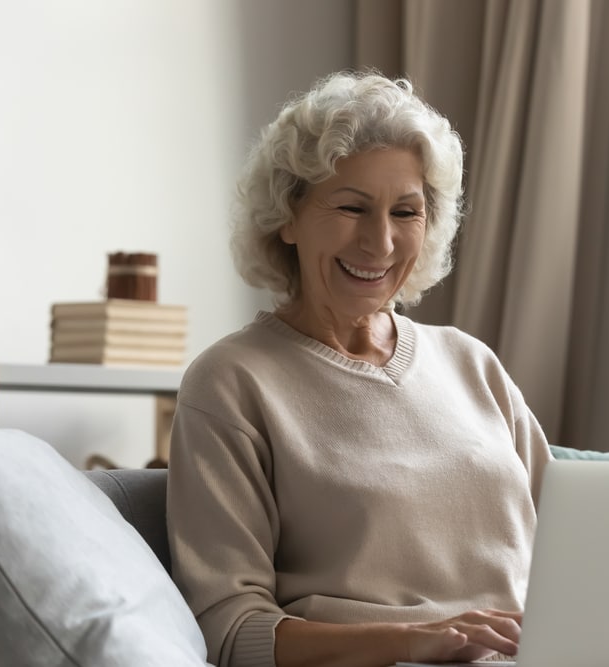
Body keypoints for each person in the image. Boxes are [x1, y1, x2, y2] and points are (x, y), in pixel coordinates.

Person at [167, 70, 552, 667]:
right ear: (286, 218)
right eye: (352, 207)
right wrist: (416, 639)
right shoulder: (232, 383)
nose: (381, 242)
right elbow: (231, 631)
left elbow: (580, 547)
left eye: (406, 212)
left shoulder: (472, 363)